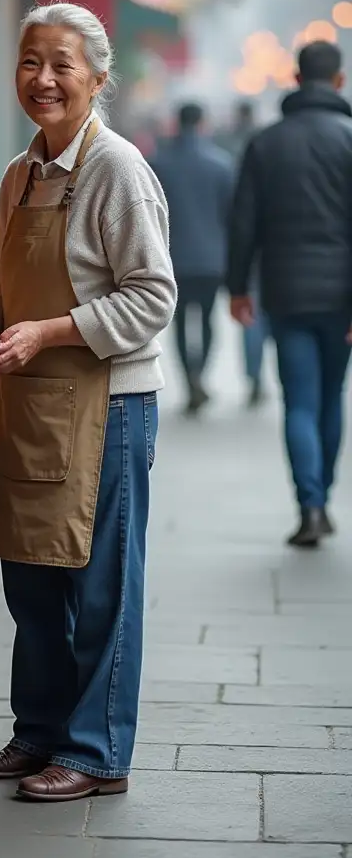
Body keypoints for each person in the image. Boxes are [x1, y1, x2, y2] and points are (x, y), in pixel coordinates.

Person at [0, 2, 176, 802]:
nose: (44, 79)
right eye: (31, 61)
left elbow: (153, 295)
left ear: (98, 77)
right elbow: (6, 287)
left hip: (108, 408)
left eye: (63, 64)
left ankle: (95, 753)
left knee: (99, 588)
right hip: (31, 406)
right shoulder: (20, 173)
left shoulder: (117, 170)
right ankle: (40, 733)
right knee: (31, 582)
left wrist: (51, 330)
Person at [228, 40, 352, 548]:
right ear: (339, 81)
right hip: (342, 297)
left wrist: (237, 287)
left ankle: (310, 504)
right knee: (331, 397)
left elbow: (242, 223)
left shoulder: (266, 142)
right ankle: (323, 492)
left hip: (285, 292)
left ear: (296, 80)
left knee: (298, 399)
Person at [150, 103, 235, 413]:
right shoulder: (221, 164)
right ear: (202, 124)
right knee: (209, 320)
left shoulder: (159, 163)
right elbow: (231, 216)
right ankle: (200, 375)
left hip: (173, 259)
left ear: (177, 123)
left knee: (182, 320)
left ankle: (190, 379)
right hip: (212, 259)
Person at [217, 101, 269, 406]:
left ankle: (254, 377)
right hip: (278, 247)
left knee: (254, 317)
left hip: (254, 246)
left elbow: (240, 218)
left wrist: (235, 283)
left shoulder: (227, 144)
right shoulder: (267, 144)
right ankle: (256, 378)